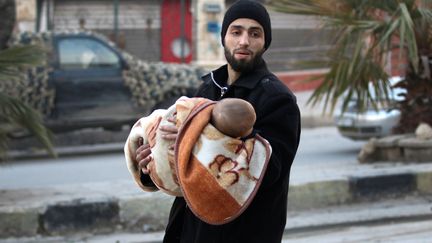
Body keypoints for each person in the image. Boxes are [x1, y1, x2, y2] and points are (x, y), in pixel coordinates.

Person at [135, 0, 301, 242]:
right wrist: (152, 162)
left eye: (255, 33)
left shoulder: (278, 100)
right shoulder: (206, 89)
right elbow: (183, 166)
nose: (244, 41)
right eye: (236, 32)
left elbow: (269, 171)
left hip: (244, 233)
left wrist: (201, 136)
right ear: (224, 37)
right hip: (189, 231)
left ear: (265, 43)